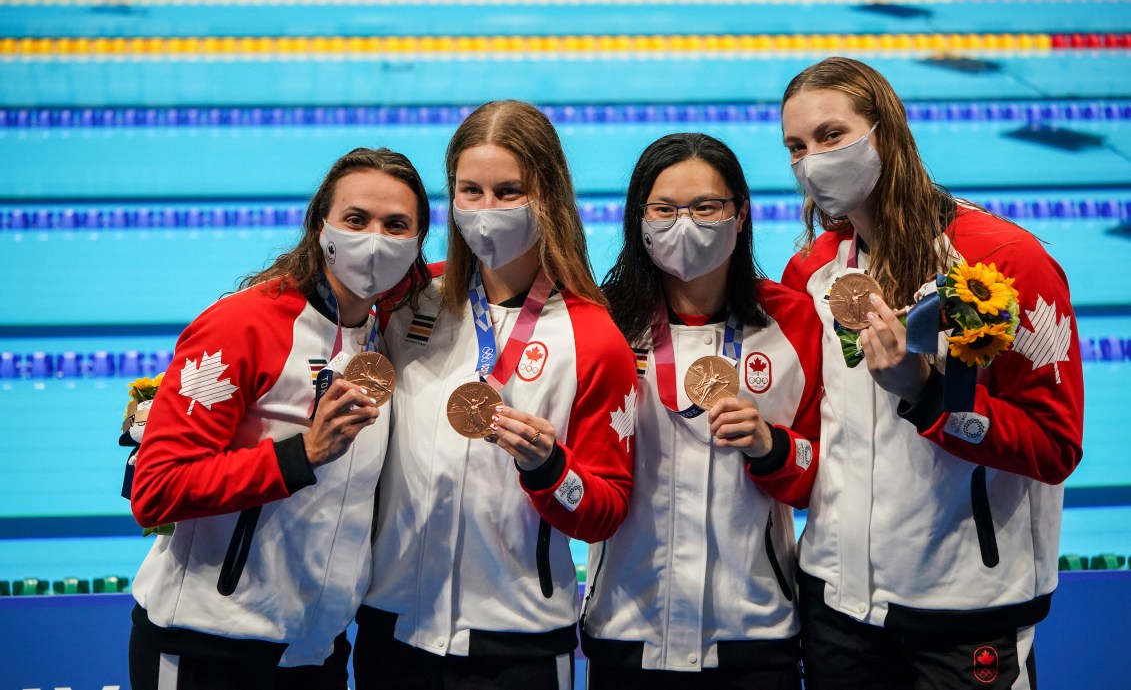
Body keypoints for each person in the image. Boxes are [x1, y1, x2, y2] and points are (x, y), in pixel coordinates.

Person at [779, 57, 1084, 689]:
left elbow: (1055, 446)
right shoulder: (809, 273)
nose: (812, 161)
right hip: (836, 608)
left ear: (884, 132)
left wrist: (927, 395)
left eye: (831, 136)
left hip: (968, 612)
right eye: (796, 147)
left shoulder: (1006, 262)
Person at [353, 100, 637, 690]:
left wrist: (550, 468)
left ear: (549, 197)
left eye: (510, 192)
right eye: (470, 191)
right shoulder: (410, 301)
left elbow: (606, 509)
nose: (487, 212)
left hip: (520, 644)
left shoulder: (592, 337)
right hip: (392, 629)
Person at [128, 147, 431, 690]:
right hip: (206, 648)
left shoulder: (387, 333)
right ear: (321, 227)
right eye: (356, 220)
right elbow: (158, 489)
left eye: (396, 226)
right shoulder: (244, 325)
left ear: (415, 245)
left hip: (317, 655)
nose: (374, 240)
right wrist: (302, 454)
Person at [581, 133, 823, 690]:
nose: (683, 224)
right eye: (664, 209)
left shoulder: (793, 321)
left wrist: (773, 447)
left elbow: (822, 475)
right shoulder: (603, 323)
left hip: (755, 632)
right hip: (627, 627)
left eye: (706, 207)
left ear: (740, 215)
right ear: (638, 220)